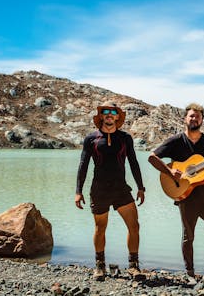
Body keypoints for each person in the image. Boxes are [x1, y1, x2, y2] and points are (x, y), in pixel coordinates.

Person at [148, 103, 204, 284]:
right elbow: (152, 157)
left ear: (202, 120)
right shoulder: (175, 141)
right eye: (191, 116)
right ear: (185, 119)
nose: (194, 119)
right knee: (189, 236)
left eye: (198, 116)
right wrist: (169, 171)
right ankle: (189, 274)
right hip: (185, 196)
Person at [75, 101, 145, 281]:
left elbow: (134, 163)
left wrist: (140, 187)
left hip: (121, 189)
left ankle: (133, 265)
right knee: (100, 228)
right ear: (101, 116)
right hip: (99, 190)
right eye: (105, 111)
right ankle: (99, 266)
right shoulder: (91, 139)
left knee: (134, 226)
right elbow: (83, 165)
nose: (109, 114)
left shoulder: (125, 138)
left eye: (113, 112)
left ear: (117, 116)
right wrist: (78, 191)